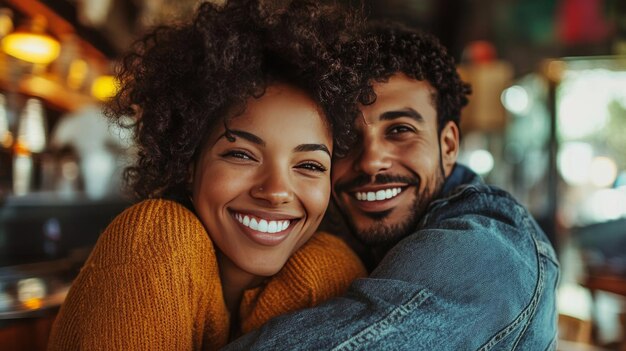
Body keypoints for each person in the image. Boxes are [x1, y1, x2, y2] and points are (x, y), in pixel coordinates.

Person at [47, 1, 365, 350]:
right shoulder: (156, 239)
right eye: (241, 154)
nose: (276, 191)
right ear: (188, 163)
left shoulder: (326, 272)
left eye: (309, 166)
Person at [224, 20, 560, 351]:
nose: (371, 161)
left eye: (400, 130)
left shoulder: (487, 250)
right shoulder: (321, 230)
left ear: (448, 146)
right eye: (345, 139)